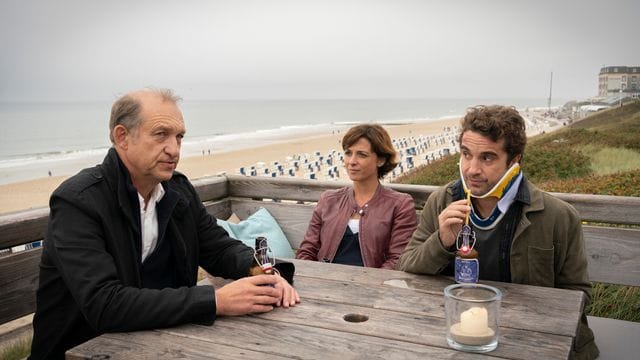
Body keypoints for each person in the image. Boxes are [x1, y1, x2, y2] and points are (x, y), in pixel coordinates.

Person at [29, 89, 299, 359]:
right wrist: (216, 301)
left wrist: (261, 271)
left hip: (161, 343)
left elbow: (218, 248)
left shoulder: (177, 192)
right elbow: (104, 303)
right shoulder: (78, 202)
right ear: (122, 137)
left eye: (179, 136)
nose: (174, 149)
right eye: (161, 135)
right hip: (79, 350)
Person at [396, 105, 598, 359]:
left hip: (532, 340)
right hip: (458, 334)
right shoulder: (442, 201)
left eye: (487, 157)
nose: (472, 169)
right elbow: (406, 266)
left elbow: (579, 294)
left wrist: (509, 316)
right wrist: (442, 241)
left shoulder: (558, 216)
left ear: (514, 161)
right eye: (466, 154)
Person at [297, 124, 417, 269]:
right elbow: (307, 251)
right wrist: (315, 278)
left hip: (373, 286)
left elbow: (397, 259)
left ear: (381, 160)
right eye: (348, 153)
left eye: (362, 154)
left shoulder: (400, 204)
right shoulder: (329, 200)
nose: (352, 161)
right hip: (324, 282)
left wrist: (370, 285)